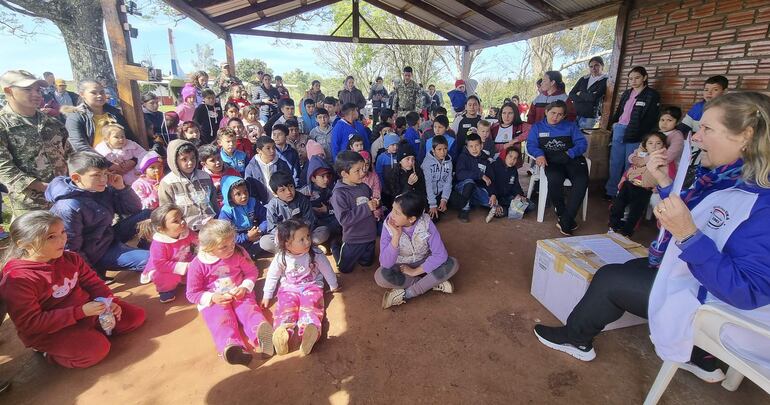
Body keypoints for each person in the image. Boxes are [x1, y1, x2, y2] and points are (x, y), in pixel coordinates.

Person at [534, 92, 770, 379]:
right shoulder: (728, 178)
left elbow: (745, 292)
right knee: (633, 267)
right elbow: (698, 213)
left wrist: (688, 235)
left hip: (721, 313)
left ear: (745, 135)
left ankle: (577, 338)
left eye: (707, 130)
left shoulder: (763, 204)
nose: (696, 138)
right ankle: (701, 356)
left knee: (609, 278)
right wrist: (664, 181)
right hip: (696, 279)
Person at [0, 211, 146, 368]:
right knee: (96, 350)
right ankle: (48, 353)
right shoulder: (17, 280)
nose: (62, 239)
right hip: (51, 330)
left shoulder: (70, 258)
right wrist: (80, 311)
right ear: (24, 244)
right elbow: (31, 323)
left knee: (135, 317)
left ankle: (91, 333)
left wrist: (108, 301)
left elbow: (93, 283)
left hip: (87, 311)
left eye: (63, 232)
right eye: (51, 237)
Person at [47, 151, 150, 278]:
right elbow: (71, 250)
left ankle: (146, 247)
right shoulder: (68, 207)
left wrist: (121, 188)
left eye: (105, 174)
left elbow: (134, 209)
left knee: (149, 214)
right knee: (154, 260)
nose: (103, 179)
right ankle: (106, 265)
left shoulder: (99, 189)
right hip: (97, 253)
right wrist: (93, 276)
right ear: (76, 178)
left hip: (107, 236)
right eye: (96, 175)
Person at [186, 220, 274, 365]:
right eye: (223, 247)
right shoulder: (197, 264)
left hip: (239, 292)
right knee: (221, 320)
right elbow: (192, 293)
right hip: (215, 301)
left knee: (249, 311)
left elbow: (251, 271)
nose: (231, 248)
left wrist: (245, 287)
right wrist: (212, 297)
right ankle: (232, 347)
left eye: (232, 243)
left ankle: (262, 335)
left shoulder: (238, 252)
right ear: (208, 248)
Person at [0, 70, 72, 217]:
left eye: (38, 89)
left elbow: (70, 154)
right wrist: (43, 187)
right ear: (8, 90)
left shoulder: (52, 122)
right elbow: (3, 168)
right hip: (31, 205)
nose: (37, 94)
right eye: (27, 89)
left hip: (65, 197)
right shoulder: (3, 125)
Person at [262, 219, 339, 356]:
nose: (308, 241)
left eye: (308, 236)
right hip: (288, 289)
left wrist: (333, 284)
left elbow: (326, 268)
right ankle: (282, 332)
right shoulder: (281, 257)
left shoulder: (314, 253)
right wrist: (267, 294)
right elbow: (273, 275)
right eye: (301, 239)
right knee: (286, 308)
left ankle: (310, 331)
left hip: (312, 287)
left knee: (311, 306)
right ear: (287, 244)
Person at [377, 191, 458, 309]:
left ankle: (407, 294)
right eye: (392, 209)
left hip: (423, 260)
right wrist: (395, 237)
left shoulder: (426, 223)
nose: (391, 215)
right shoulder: (388, 225)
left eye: (397, 213)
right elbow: (385, 263)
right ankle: (432, 283)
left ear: (411, 219)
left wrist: (414, 272)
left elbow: (440, 255)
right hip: (401, 266)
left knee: (452, 263)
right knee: (381, 275)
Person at [527, 100, 588, 235]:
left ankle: (566, 219)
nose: (555, 117)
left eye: (560, 114)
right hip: (552, 161)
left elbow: (582, 144)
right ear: (546, 112)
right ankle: (561, 211)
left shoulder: (570, 126)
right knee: (554, 180)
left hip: (573, 159)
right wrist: (539, 155)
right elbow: (531, 145)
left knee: (582, 181)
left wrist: (570, 153)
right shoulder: (537, 127)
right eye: (553, 113)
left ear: (564, 116)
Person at [605, 66, 661, 199]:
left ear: (645, 78)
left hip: (636, 132)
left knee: (630, 163)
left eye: (637, 78)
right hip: (620, 128)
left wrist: (644, 135)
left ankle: (623, 193)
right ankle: (611, 191)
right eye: (631, 78)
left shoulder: (651, 95)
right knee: (615, 162)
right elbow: (620, 110)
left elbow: (651, 117)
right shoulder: (627, 93)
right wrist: (614, 124)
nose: (633, 81)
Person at [609, 132, 674, 236]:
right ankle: (613, 226)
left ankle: (626, 232)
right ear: (645, 145)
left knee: (635, 212)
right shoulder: (639, 155)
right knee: (617, 206)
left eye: (658, 143)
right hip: (629, 184)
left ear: (663, 146)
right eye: (650, 143)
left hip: (644, 189)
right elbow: (631, 165)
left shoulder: (664, 161)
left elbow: (668, 178)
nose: (654, 146)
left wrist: (658, 187)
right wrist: (624, 178)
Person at [330, 151, 380, 274]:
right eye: (357, 171)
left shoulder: (364, 187)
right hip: (354, 239)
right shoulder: (339, 194)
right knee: (344, 269)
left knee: (367, 263)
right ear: (344, 174)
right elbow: (344, 219)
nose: (362, 173)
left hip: (370, 236)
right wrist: (367, 207)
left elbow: (372, 204)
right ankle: (335, 246)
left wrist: (376, 204)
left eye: (363, 169)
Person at [260, 171, 329, 254]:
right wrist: (287, 235)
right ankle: (307, 248)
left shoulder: (302, 199)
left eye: (291, 187)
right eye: (282, 190)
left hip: (303, 235)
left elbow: (310, 220)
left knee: (324, 231)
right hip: (286, 239)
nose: (289, 192)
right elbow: (272, 228)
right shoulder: (272, 205)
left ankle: (291, 251)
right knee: (264, 241)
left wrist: (299, 233)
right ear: (275, 194)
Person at [140, 204, 198, 303]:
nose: (182, 222)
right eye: (176, 221)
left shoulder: (186, 232)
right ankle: (165, 290)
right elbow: (160, 264)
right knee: (166, 277)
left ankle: (186, 279)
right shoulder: (159, 243)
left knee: (201, 265)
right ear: (160, 229)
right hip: (164, 268)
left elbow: (199, 241)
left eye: (182, 218)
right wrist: (188, 266)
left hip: (184, 261)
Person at [679, 75, 729, 187]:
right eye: (706, 90)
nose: (709, 93)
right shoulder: (697, 107)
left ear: (724, 91)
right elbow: (683, 128)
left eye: (715, 90)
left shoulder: (728, 110)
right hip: (694, 154)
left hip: (714, 156)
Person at [159, 139, 218, 232]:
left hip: (209, 227)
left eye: (193, 158)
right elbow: (166, 212)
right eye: (184, 159)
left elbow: (213, 201)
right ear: (174, 160)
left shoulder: (205, 177)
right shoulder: (168, 183)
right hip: (185, 230)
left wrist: (216, 218)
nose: (190, 162)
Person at [65, 79, 136, 152]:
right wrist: (107, 161)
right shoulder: (75, 118)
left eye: (102, 92)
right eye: (93, 93)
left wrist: (133, 159)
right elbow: (80, 146)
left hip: (125, 156)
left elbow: (129, 137)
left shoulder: (115, 113)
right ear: (82, 94)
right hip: (95, 159)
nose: (99, 95)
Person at [219, 175, 269, 259]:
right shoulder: (226, 211)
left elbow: (266, 217)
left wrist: (260, 230)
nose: (244, 196)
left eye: (245, 191)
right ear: (229, 196)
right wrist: (247, 237)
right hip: (238, 239)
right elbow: (225, 234)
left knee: (269, 239)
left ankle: (250, 253)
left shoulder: (253, 202)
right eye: (238, 194)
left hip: (255, 233)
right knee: (231, 250)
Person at [454, 133, 494, 223]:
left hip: (477, 189)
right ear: (467, 147)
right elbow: (460, 174)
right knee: (470, 182)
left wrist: (493, 194)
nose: (474, 149)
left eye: (477, 146)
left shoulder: (485, 159)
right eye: (471, 146)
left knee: (491, 203)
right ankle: (464, 209)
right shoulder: (463, 157)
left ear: (481, 145)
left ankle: (471, 201)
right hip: (462, 187)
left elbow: (490, 179)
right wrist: (480, 175)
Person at [244, 136, 293, 204]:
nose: (272, 151)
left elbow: (290, 183)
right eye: (268, 148)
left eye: (273, 148)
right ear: (259, 151)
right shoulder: (251, 168)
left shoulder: (282, 164)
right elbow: (250, 190)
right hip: (261, 205)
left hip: (282, 202)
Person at [486, 146, 526, 221]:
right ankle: (500, 208)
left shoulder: (514, 170)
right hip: (495, 197)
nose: (512, 160)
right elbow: (490, 183)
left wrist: (519, 195)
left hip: (507, 197)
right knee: (490, 201)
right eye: (510, 156)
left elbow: (516, 185)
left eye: (515, 158)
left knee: (530, 205)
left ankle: (503, 210)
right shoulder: (494, 166)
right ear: (505, 155)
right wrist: (493, 195)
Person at [569, 56, 608, 129]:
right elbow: (571, 94)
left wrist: (580, 94)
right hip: (575, 113)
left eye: (596, 65)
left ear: (602, 66)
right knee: (571, 137)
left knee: (584, 138)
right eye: (591, 66)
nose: (593, 68)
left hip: (589, 116)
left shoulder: (605, 80)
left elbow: (594, 97)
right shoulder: (584, 79)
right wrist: (586, 97)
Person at [384, 142, 425, 209]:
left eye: (413, 159)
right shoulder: (394, 174)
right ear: (400, 161)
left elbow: (422, 192)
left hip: (417, 205)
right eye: (407, 159)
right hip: (402, 207)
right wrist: (409, 184)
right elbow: (397, 197)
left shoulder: (418, 171)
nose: (411, 162)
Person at [421, 135, 452, 222]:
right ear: (433, 150)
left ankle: (441, 205)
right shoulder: (427, 163)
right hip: (428, 194)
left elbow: (448, 182)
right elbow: (428, 185)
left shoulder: (449, 162)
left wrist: (444, 199)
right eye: (439, 149)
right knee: (434, 219)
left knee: (460, 201)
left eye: (445, 148)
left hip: (440, 193)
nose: (443, 152)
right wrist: (432, 204)